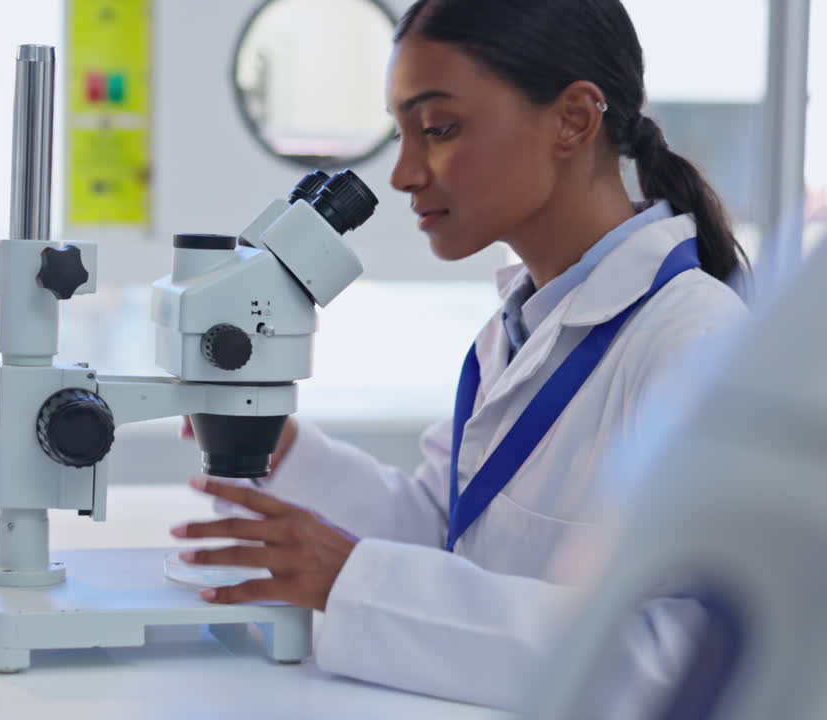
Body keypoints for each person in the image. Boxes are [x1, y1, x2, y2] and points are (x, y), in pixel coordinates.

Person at [172, 0, 749, 712]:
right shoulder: (519, 322)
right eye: (401, 134)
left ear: (573, 119)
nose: (404, 174)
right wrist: (281, 448)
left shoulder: (694, 342)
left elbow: (687, 657)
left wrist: (354, 580)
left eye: (439, 129)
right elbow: (447, 531)